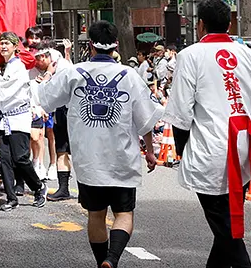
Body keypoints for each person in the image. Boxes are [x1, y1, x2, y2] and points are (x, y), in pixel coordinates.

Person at [36, 21, 161, 268]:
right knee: (124, 214)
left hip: (88, 159)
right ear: (115, 46)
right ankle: (112, 259)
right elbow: (145, 119)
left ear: (90, 45)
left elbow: (46, 99)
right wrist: (150, 152)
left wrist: (49, 75)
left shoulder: (73, 72)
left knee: (96, 214)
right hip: (122, 158)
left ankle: (100, 262)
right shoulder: (130, 75)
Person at [163, 0, 251, 268]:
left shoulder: (190, 55)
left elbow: (180, 114)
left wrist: (183, 152)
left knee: (226, 228)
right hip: (245, 147)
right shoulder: (248, 54)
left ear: (200, 25)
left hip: (209, 149)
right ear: (229, 23)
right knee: (225, 222)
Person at [0, 31, 46, 211]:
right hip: (2, 120)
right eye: (1, 43)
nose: (3, 46)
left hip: (18, 118)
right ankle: (11, 197)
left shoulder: (18, 67)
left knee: (20, 158)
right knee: (5, 160)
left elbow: (6, 89)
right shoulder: (3, 67)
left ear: (15, 47)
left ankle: (38, 186)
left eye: (7, 43)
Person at [28, 47, 54, 183]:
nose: (38, 60)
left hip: (42, 107)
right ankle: (33, 161)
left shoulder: (51, 69)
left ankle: (39, 163)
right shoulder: (29, 72)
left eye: (40, 57)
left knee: (40, 137)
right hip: (30, 107)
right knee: (32, 137)